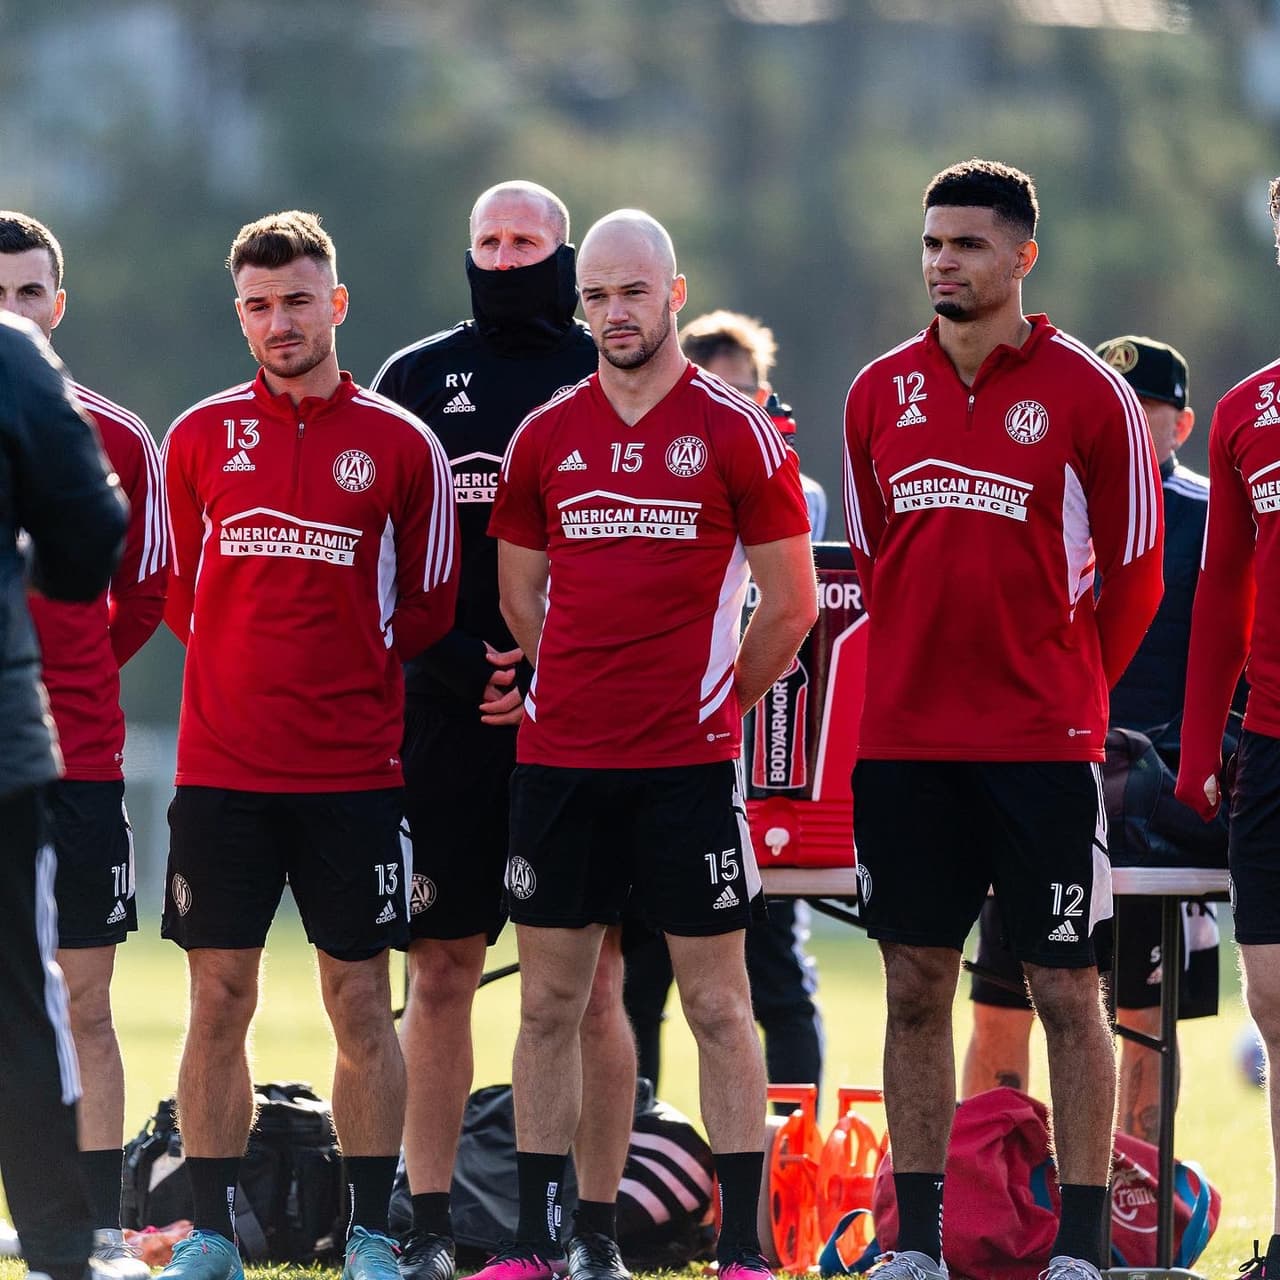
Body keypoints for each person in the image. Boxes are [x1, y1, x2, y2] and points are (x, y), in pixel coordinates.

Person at [843, 159, 1163, 1280]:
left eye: (968, 244)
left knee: (1066, 988)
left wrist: (1066, 692)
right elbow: (876, 557)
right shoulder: (876, 390)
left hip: (1040, 748)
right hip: (904, 744)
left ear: (1023, 256)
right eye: (932, 242)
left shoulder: (1089, 393)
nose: (943, 262)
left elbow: (1133, 574)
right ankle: (918, 1245)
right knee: (913, 985)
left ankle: (1079, 1247)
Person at [487, 209, 816, 1280]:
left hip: (687, 770)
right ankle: (547, 1244)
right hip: (562, 768)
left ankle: (744, 1250)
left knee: (720, 1005)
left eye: (633, 292)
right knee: (550, 1005)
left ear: (675, 293)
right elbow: (521, 596)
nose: (614, 314)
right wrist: (577, 691)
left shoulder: (735, 429)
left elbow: (792, 602)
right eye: (595, 296)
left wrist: (715, 704)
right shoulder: (546, 433)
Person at [157, 211, 459, 1280]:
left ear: (336, 304)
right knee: (217, 999)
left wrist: (335, 676)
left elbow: (427, 608)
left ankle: (370, 1232)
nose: (278, 322)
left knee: (360, 1002)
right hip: (221, 773)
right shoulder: (197, 437)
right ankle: (207, 1234)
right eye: (257, 305)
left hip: (352, 775)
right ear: (238, 315)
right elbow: (180, 594)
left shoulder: (402, 444)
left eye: (296, 301)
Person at [372, 181, 637, 1280]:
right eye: (487, 240)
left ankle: (591, 1230)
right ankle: (427, 1222)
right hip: (445, 720)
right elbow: (377, 551)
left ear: (562, 255)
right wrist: (451, 661)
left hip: (577, 715)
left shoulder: (607, 370)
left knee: (591, 983)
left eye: (526, 240)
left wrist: (543, 663)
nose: (505, 256)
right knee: (441, 969)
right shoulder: (413, 378)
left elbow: (638, 546)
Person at [962, 335, 1221, 1142]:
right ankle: (990, 1192)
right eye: (1112, 405)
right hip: (1039, 781)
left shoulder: (1211, 516)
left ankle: (1133, 1201)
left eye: (1144, 409)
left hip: (1151, 806)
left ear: (1181, 425)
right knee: (1001, 1004)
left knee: (1141, 1017)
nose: (1125, 421)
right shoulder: (1044, 499)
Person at [0, 212, 167, 1279]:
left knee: (72, 998)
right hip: (12, 739)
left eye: (29, 291)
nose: (14, 310)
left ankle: (87, 1220)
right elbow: (90, 542)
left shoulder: (116, 429)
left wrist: (76, 661)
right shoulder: (15, 374)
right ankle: (59, 1234)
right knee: (26, 995)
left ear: (58, 302)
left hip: (72, 748)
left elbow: (142, 587)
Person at [622, 308, 825, 1107]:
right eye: (713, 392)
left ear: (767, 398)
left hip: (769, 760)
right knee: (639, 977)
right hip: (663, 753)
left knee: (775, 978)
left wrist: (730, 698)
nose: (730, 410)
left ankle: (789, 1156)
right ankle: (643, 1152)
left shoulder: (794, 486)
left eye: (744, 394)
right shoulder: (647, 478)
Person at [1175, 174, 1280, 1280]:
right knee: (1274, 998)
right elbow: (1221, 590)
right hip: (1273, 745)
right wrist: (1202, 745)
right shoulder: (1250, 409)